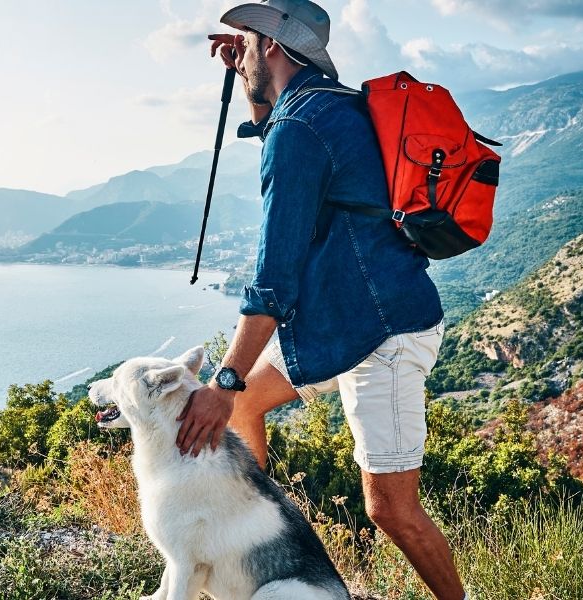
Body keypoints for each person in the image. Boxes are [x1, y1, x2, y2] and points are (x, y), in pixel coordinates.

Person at [174, 1, 467, 599]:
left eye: (247, 42)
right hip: (344, 316)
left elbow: (273, 276)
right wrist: (251, 90)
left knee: (391, 511)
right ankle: (252, 554)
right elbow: (289, 151)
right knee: (251, 407)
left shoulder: (300, 128)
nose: (240, 52)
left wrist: (222, 382)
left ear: (274, 46)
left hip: (383, 330)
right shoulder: (327, 107)